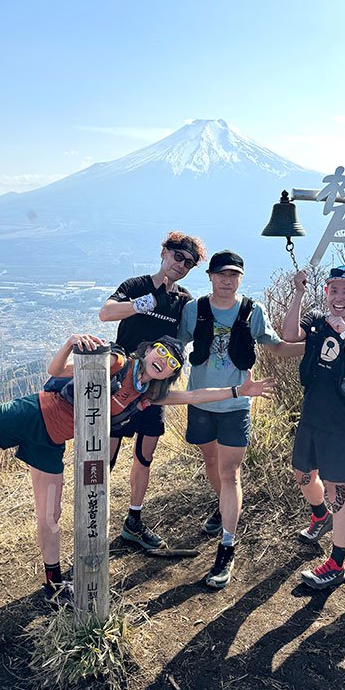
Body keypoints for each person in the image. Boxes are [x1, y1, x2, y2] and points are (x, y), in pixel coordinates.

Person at [0, 334, 274, 605]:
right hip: (33, 413)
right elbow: (53, 371)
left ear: (171, 370)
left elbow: (196, 398)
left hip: (53, 442)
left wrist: (240, 388)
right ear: (147, 351)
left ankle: (52, 581)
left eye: (171, 362)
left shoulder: (149, 395)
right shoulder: (113, 362)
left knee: (50, 517)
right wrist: (69, 344)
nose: (163, 362)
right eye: (160, 353)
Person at [178, 250, 304, 589]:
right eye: (220, 274)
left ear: (240, 278)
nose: (226, 280)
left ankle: (227, 545)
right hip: (201, 402)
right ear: (210, 277)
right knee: (211, 462)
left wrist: (320, 344)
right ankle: (223, 509)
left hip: (237, 405)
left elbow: (278, 346)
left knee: (230, 472)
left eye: (233, 274)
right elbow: (176, 345)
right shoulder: (195, 310)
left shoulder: (252, 311)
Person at [98, 231, 207, 552]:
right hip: (120, 385)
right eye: (178, 257)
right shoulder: (136, 286)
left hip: (156, 389)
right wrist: (145, 303)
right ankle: (95, 522)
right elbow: (106, 313)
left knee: (145, 456)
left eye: (189, 262)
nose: (182, 265)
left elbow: (198, 330)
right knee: (107, 456)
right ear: (164, 252)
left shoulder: (184, 300)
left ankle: (133, 521)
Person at [280, 265, 345, 590]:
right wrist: (297, 292)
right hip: (311, 416)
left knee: (340, 494)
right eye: (334, 290)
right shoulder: (315, 323)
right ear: (326, 293)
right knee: (303, 474)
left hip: (340, 426)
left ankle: (336, 564)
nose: (340, 298)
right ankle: (319, 515)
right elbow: (288, 334)